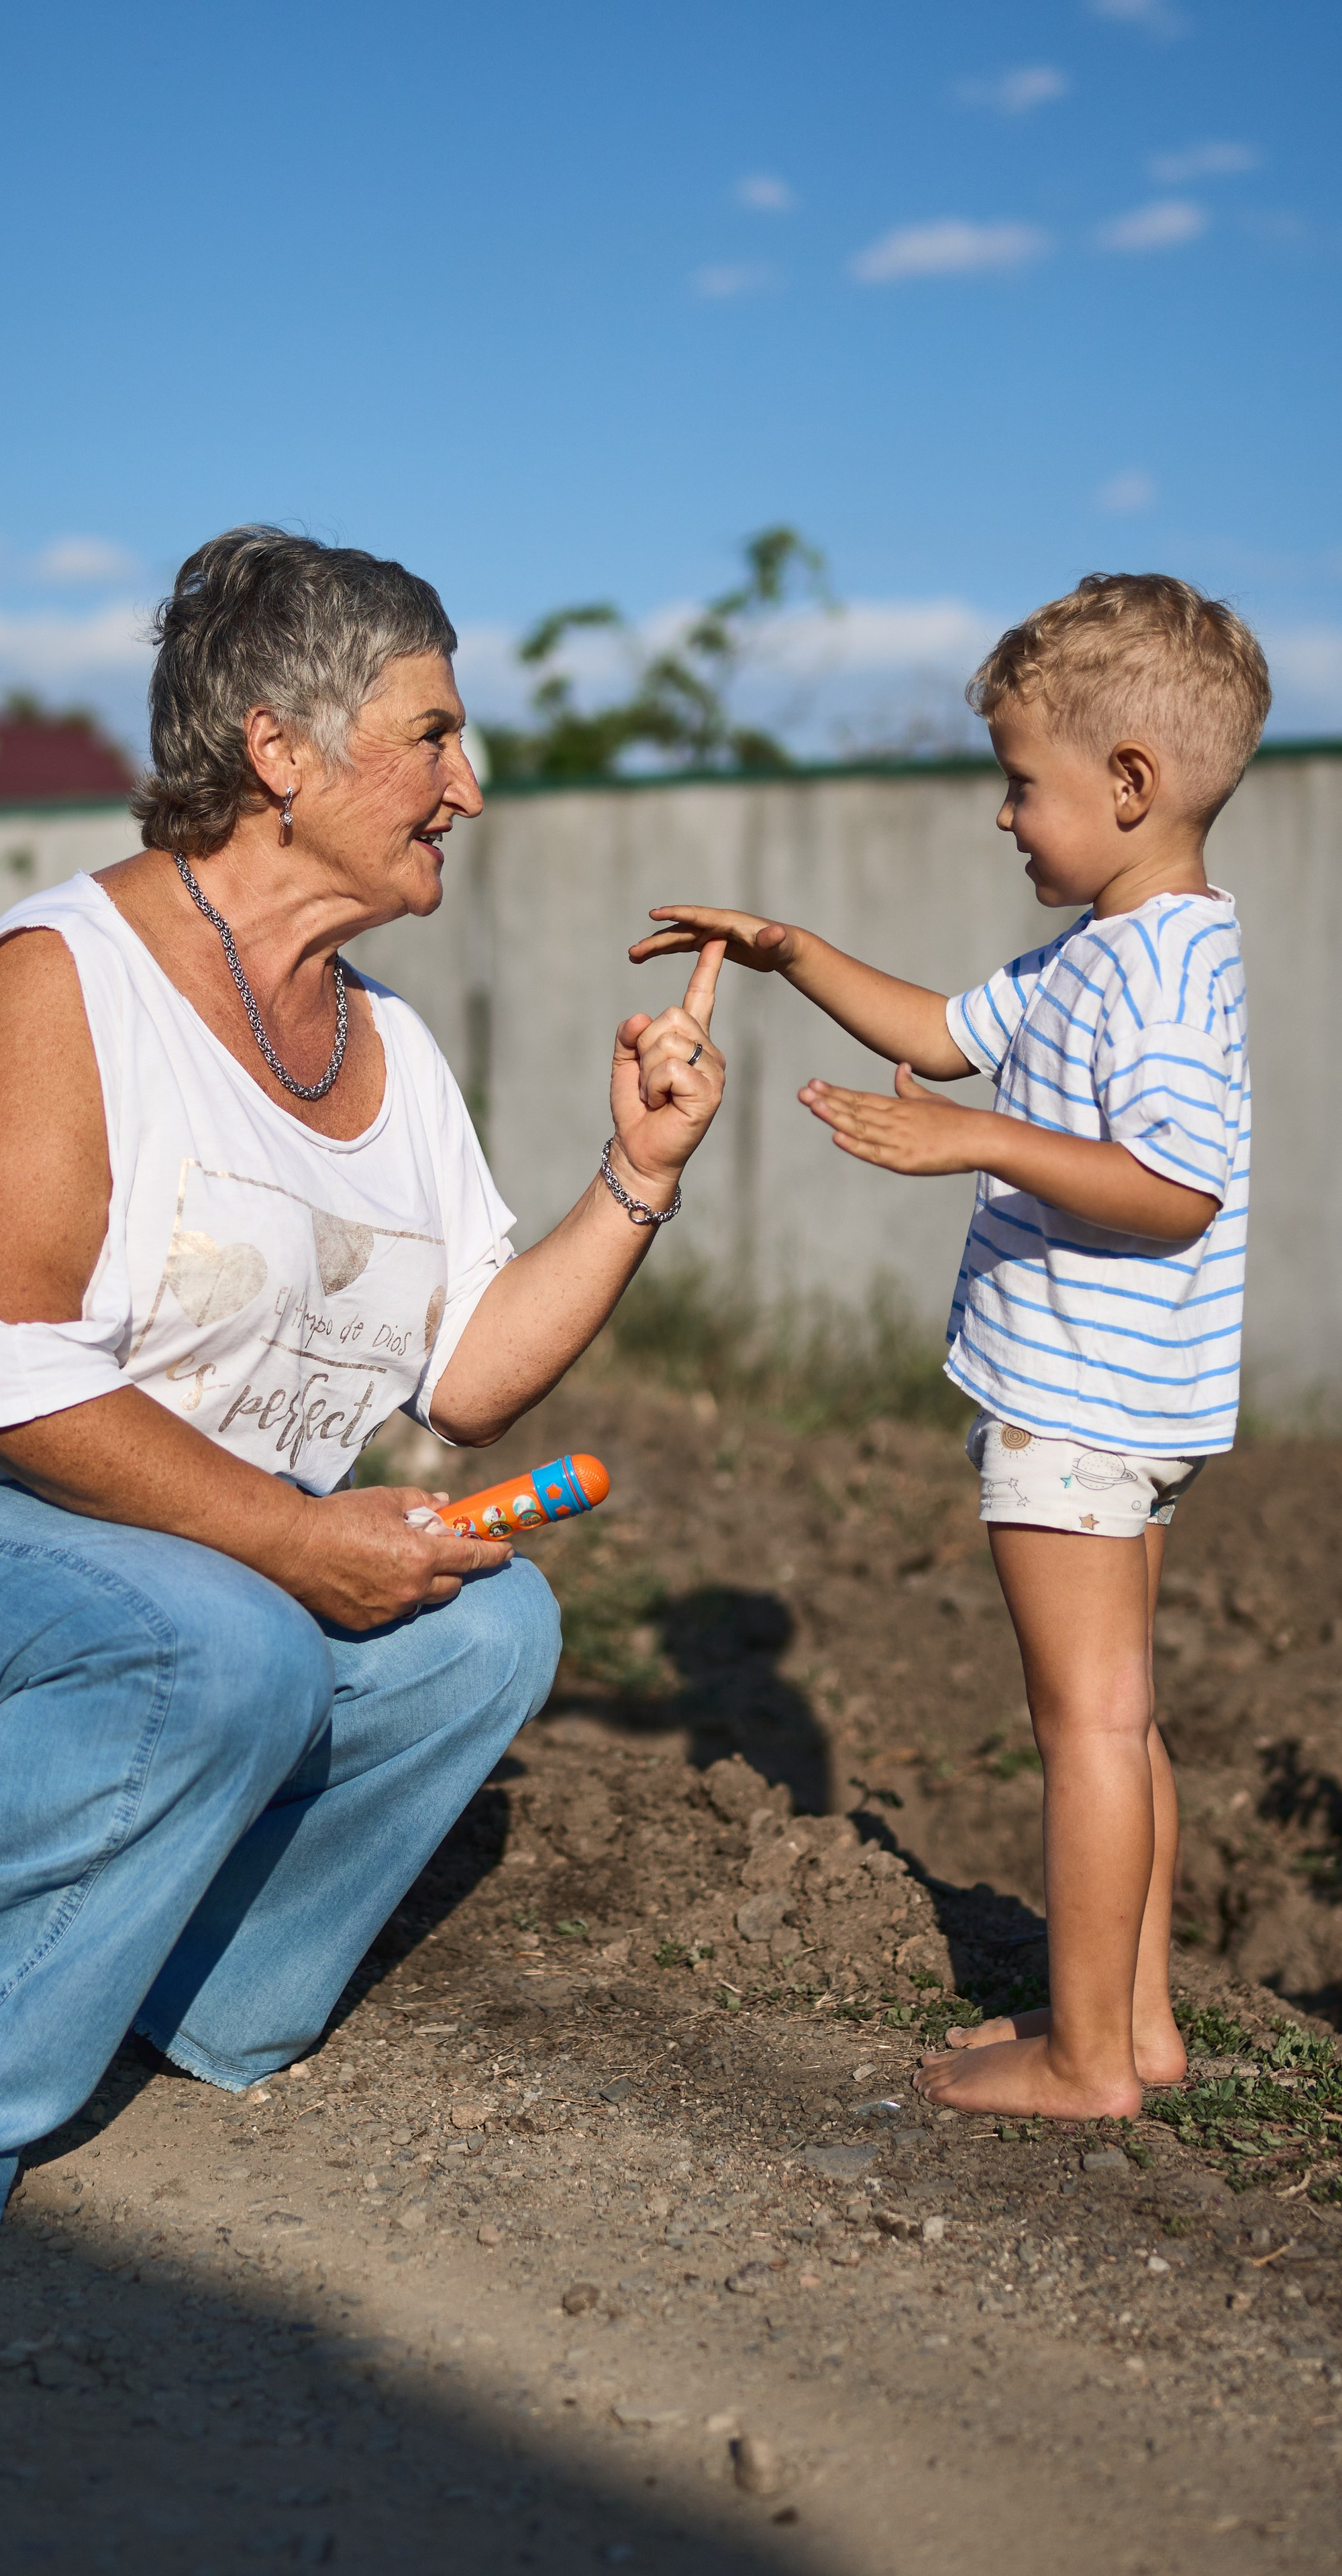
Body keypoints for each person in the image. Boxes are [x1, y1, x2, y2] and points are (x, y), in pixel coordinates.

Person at [0, 527, 727, 2229]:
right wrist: (286, 1541)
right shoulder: (66, 979)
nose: (469, 786)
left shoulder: (390, 1046)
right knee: (221, 1641)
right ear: (280, 750)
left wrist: (632, 1177)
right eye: (433, 733)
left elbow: (472, 1377)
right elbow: (12, 1387)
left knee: (486, 1629)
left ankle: (174, 1990)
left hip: (171, 1552)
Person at [630, 573, 1268, 2121]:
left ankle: (1082, 2058)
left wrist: (974, 1143)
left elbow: (1175, 1190)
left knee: (1085, 1727)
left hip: (1076, 1397)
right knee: (1119, 1714)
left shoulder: (1160, 978)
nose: (1000, 816)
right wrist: (790, 952)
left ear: (1127, 783)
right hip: (1126, 1399)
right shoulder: (1113, 952)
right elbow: (932, 1028)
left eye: (1018, 782)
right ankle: (1140, 2028)